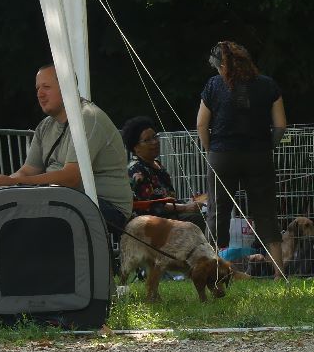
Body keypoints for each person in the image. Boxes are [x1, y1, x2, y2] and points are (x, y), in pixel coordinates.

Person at [0, 65, 133, 232]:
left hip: (106, 207)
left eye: (46, 87)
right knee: (5, 213)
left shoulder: (88, 118)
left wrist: (13, 182)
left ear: (67, 87)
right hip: (67, 199)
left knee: (30, 221)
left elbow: (70, 178)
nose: (40, 94)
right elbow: (27, 171)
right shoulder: (45, 126)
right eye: (37, 88)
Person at [197, 41, 287, 276]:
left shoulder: (213, 85)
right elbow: (280, 126)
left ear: (220, 65)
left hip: (222, 154)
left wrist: (210, 150)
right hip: (259, 155)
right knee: (266, 212)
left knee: (218, 211)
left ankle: (214, 271)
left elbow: (201, 124)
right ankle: (280, 274)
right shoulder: (268, 85)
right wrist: (267, 146)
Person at [121, 115, 205, 229]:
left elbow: (168, 198)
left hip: (167, 216)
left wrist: (187, 203)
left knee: (204, 213)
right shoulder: (136, 170)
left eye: (155, 137)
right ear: (136, 147)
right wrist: (185, 207)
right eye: (147, 140)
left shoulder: (157, 165)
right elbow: (153, 206)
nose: (155, 142)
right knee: (196, 219)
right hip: (149, 222)